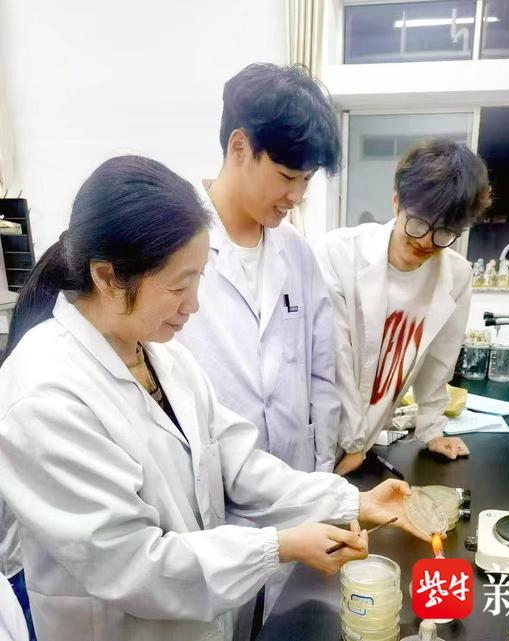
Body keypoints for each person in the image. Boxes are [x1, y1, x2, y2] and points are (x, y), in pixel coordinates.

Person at [0, 156, 428, 641]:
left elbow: (237, 464)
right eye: (178, 286)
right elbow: (134, 563)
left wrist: (352, 501)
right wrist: (277, 547)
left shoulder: (161, 356)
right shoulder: (45, 396)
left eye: (198, 279)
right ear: (108, 277)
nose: (194, 304)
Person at [177, 63, 341, 474]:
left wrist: (323, 474)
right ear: (239, 148)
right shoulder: (173, 246)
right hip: (214, 482)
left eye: (307, 180)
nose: (297, 196)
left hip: (298, 478)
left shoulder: (297, 253)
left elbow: (322, 373)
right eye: (287, 176)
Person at [316, 140, 492, 476]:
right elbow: (333, 359)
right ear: (396, 200)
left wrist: (431, 428)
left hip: (365, 439)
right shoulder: (339, 254)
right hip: (323, 428)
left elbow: (440, 359)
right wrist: (352, 443)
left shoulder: (455, 276)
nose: (425, 241)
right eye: (419, 222)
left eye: (444, 232)